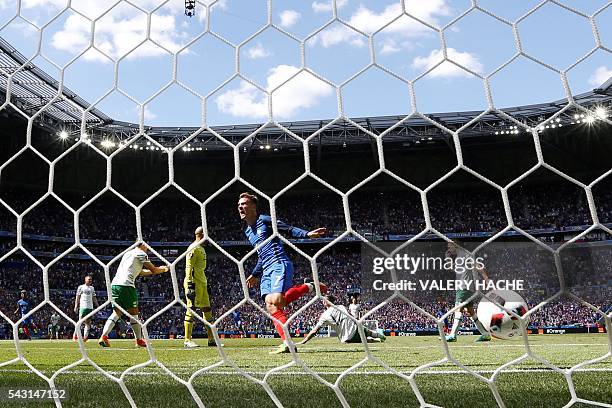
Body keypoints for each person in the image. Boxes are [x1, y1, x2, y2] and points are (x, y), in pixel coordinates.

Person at [238, 192, 328, 354]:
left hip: (279, 263)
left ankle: (308, 287)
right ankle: (287, 343)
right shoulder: (248, 232)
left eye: (244, 203)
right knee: (273, 306)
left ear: (253, 207)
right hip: (265, 270)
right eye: (239, 204)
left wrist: (306, 234)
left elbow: (289, 229)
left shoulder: (264, 220)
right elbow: (261, 253)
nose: (240, 206)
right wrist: (255, 274)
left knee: (277, 301)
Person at [98, 243, 169, 348]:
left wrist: (156, 270)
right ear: (143, 245)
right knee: (134, 313)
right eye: (147, 247)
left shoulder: (128, 254)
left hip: (115, 285)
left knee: (116, 313)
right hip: (127, 285)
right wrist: (164, 269)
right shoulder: (141, 253)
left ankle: (103, 337)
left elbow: (140, 272)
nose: (148, 249)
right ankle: (139, 340)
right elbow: (153, 269)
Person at [445, 241, 491, 342]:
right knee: (471, 312)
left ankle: (452, 335)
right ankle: (485, 334)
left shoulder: (464, 255)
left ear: (454, 245)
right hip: (470, 288)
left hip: (464, 287)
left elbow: (478, 266)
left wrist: (486, 278)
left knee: (458, 309)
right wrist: (448, 258)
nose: (448, 249)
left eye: (449, 247)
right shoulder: (461, 256)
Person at [299, 295, 386, 345]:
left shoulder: (324, 315)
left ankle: (378, 339)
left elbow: (315, 331)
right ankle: (380, 336)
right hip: (355, 329)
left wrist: (304, 340)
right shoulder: (341, 306)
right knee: (367, 332)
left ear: (326, 302)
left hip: (346, 338)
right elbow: (351, 316)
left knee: (364, 340)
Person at [183, 227, 216, 348]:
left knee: (207, 309)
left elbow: (200, 269)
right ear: (201, 235)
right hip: (194, 284)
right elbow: (189, 267)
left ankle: (211, 339)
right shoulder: (194, 248)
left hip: (202, 284)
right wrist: (190, 285)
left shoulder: (202, 249)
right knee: (191, 309)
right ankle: (187, 340)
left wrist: (206, 285)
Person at [73, 275, 99, 341]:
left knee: (88, 322)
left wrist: (98, 305)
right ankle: (75, 336)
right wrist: (76, 306)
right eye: (89, 279)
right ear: (85, 280)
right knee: (80, 322)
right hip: (83, 307)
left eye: (91, 279)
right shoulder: (81, 287)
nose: (90, 280)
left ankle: (85, 337)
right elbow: (77, 297)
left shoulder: (92, 288)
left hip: (90, 307)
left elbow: (94, 297)